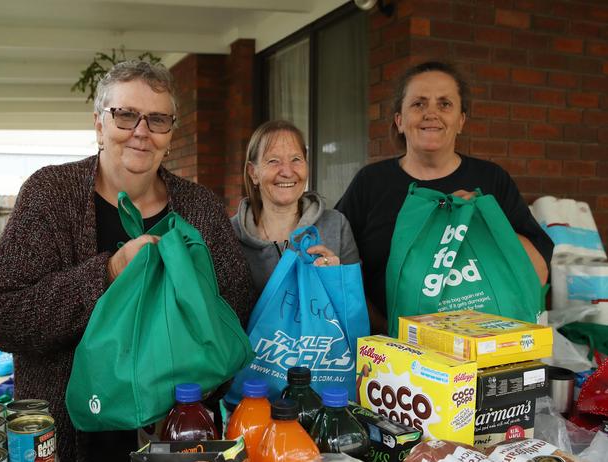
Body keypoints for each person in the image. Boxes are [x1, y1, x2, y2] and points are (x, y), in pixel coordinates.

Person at [0, 60, 254, 462]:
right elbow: (1, 316)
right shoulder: (51, 195)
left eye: (158, 119)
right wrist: (106, 273)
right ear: (98, 124)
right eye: (125, 115)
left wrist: (192, 397)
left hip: (176, 446)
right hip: (69, 450)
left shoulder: (199, 209)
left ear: (170, 133)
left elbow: (234, 312)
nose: (141, 131)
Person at [336, 61, 553, 333]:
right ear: (399, 121)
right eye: (419, 104)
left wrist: (481, 219)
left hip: (483, 350)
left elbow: (537, 271)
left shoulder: (491, 180)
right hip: (391, 353)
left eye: (444, 104)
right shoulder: (371, 182)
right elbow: (336, 264)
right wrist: (378, 325)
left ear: (461, 120)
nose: (431, 114)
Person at [232, 120, 359, 297]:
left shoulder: (336, 225)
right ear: (253, 173)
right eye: (273, 160)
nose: (287, 171)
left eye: (296, 159)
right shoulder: (229, 234)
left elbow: (353, 302)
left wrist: (336, 278)